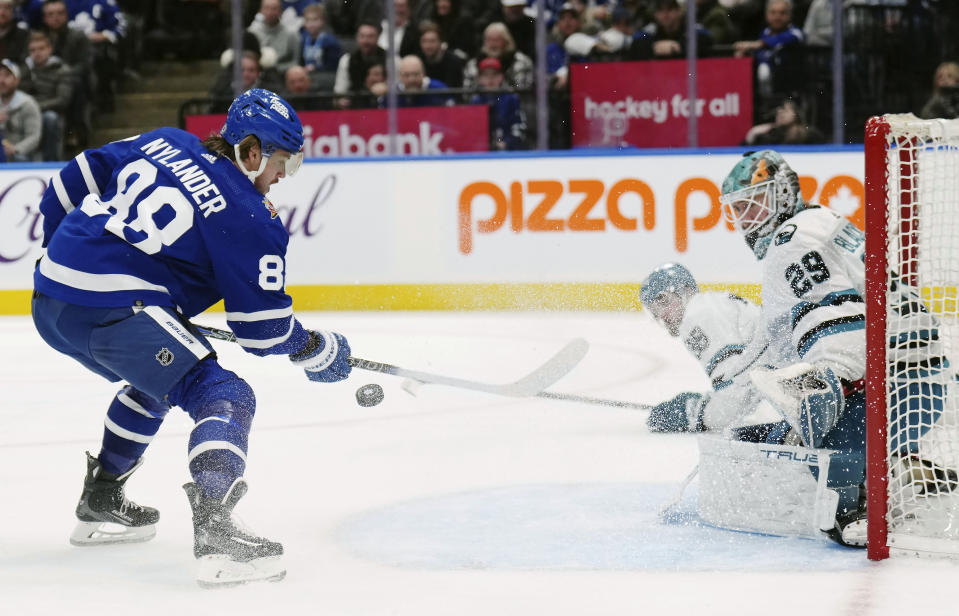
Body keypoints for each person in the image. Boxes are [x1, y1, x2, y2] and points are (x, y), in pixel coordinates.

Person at [31, 88, 352, 587]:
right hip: (113, 309)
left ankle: (101, 498)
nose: (280, 180)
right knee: (224, 394)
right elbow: (262, 330)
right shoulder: (250, 215)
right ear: (251, 151)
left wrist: (59, 254)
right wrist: (313, 349)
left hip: (50, 298)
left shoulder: (165, 140)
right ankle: (217, 532)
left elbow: (74, 177)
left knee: (159, 381)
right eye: (281, 165)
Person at [718, 149, 957, 547]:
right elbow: (766, 352)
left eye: (754, 203)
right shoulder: (817, 223)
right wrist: (703, 407)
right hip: (922, 388)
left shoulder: (792, 240)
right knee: (776, 430)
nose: (746, 219)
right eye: (739, 209)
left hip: (891, 392)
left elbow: (835, 315)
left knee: (815, 450)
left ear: (782, 194)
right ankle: (902, 466)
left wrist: (830, 375)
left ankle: (854, 507)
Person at [638, 262, 780, 436]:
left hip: (789, 394)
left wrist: (694, 412)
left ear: (686, 291)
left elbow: (735, 402)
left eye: (664, 301)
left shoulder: (698, 316)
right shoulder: (711, 305)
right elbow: (741, 388)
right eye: (654, 309)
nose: (661, 314)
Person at [20, 30, 72, 161]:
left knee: (50, 118)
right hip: (24, 113)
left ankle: (50, 163)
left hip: (49, 112)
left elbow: (63, 100)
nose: (37, 53)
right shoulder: (23, 70)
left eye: (41, 48)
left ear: (50, 49)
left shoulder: (62, 70)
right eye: (33, 50)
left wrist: (35, 107)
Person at [469, 56, 527, 150]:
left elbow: (518, 126)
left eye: (494, 74)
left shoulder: (511, 98)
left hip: (509, 151)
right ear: (480, 78)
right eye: (486, 75)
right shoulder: (476, 100)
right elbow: (472, 129)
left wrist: (507, 143)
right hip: (481, 151)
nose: (490, 79)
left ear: (501, 77)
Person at [0, 58, 41, 161]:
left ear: (17, 80)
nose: (2, 80)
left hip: (19, 155)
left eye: (7, 76)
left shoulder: (28, 103)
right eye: (0, 75)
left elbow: (34, 137)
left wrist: (15, 149)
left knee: (19, 158)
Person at [249, 0, 302, 74]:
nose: (270, 12)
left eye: (274, 9)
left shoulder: (292, 34)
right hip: (257, 75)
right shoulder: (252, 33)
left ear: (281, 11)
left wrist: (277, 69)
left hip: (283, 75)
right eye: (267, 8)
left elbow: (297, 62)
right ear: (260, 11)